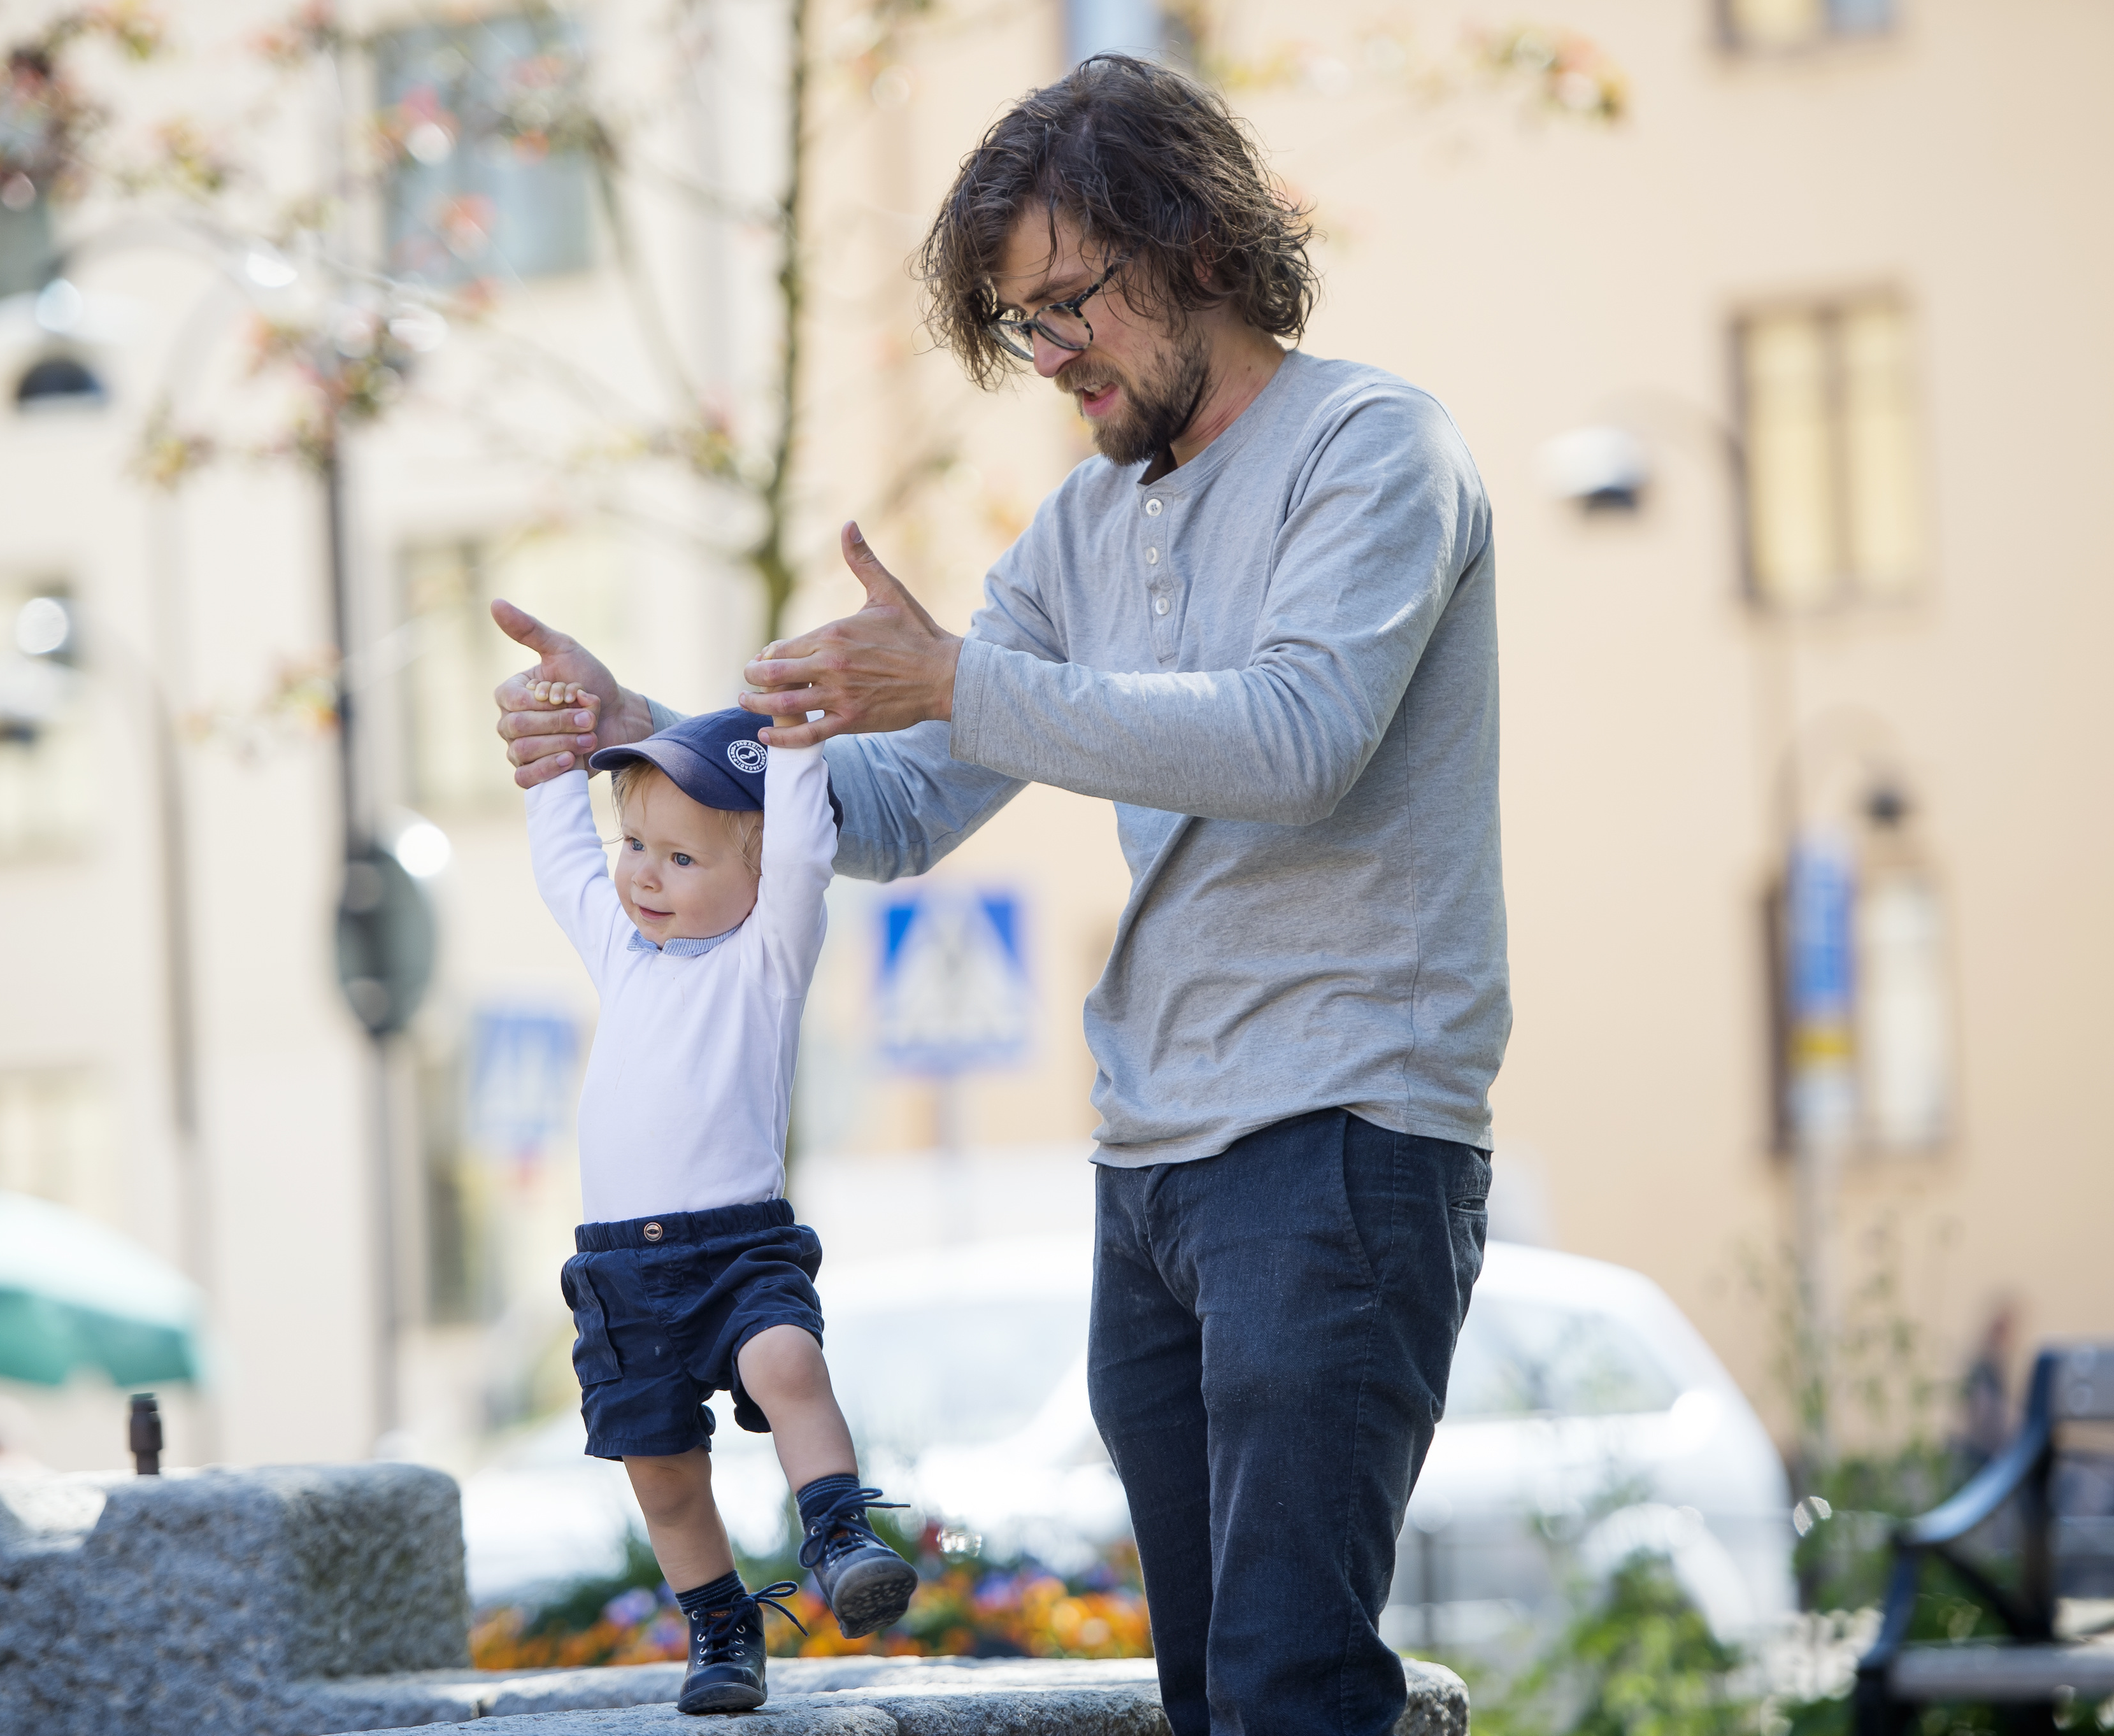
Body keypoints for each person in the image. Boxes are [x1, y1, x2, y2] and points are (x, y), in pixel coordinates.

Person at [496, 54, 1506, 1736]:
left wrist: (957, 674)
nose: (1052, 360)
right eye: (1022, 330)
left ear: (1195, 243)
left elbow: (1300, 735)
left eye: (1067, 307)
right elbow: (892, 805)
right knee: (1213, 1696)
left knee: (1290, 1687)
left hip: (1342, 1132)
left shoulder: (1376, 449)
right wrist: (650, 737)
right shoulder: (1088, 523)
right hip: (1156, 1173)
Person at [519, 690, 917, 1715]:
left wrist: (793, 743)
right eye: (637, 843)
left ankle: (837, 1530)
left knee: (787, 1358)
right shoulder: (623, 954)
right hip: (618, 1269)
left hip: (738, 1246)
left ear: (751, 871)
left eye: (683, 858)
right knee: (659, 1465)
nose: (645, 873)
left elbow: (798, 860)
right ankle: (722, 1623)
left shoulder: (767, 960)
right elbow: (567, 865)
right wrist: (553, 766)